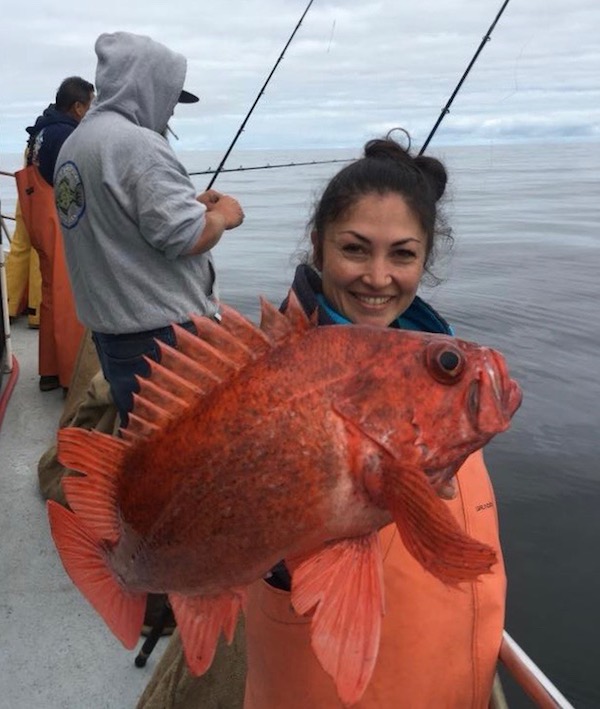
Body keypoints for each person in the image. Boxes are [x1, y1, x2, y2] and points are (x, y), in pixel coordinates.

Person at [135, 135, 506, 709]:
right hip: (317, 676)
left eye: (403, 255)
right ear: (319, 246)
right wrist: (283, 556)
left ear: (425, 259)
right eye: (356, 249)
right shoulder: (274, 370)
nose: (379, 277)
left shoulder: (429, 373)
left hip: (452, 665)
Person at [54, 31, 244, 427]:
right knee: (183, 446)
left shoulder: (76, 145)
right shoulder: (138, 144)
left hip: (115, 338)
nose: (171, 111)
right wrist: (222, 215)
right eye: (170, 97)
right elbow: (187, 237)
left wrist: (189, 207)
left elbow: (119, 222)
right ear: (145, 85)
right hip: (165, 341)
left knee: (146, 439)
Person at [15, 76, 95, 391]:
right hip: (59, 225)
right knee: (67, 298)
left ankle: (49, 370)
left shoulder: (41, 132)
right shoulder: (67, 136)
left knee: (51, 296)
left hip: (39, 222)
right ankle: (70, 378)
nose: (92, 112)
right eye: (91, 105)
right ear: (77, 107)